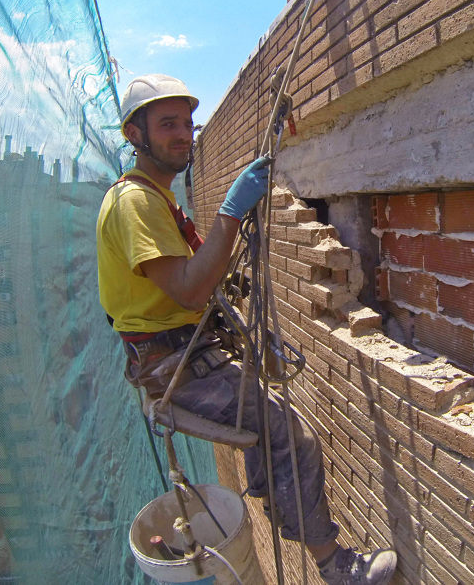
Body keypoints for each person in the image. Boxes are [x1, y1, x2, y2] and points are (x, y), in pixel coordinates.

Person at [96, 74, 397, 584]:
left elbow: (199, 283)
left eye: (187, 125)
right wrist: (232, 212)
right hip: (174, 370)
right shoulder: (135, 203)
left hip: (188, 353)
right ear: (135, 135)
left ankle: (276, 494)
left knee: (273, 425)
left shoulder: (157, 198)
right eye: (167, 124)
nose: (183, 136)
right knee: (290, 433)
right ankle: (333, 564)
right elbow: (190, 290)